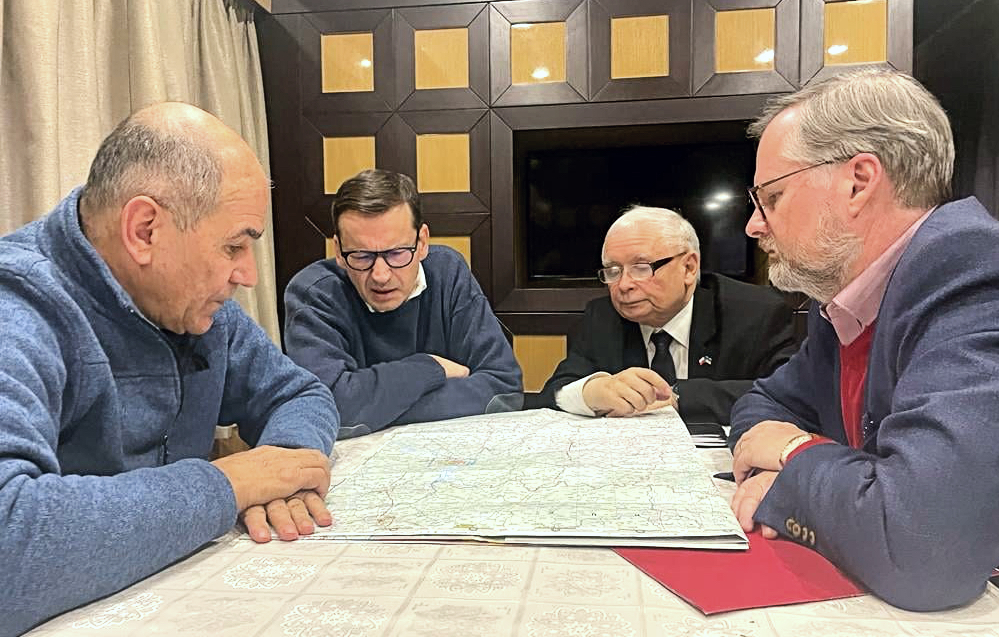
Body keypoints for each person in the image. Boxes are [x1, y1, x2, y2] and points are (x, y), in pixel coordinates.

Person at [0, 102, 341, 636]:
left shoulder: (199, 307)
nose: (248, 275)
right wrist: (228, 484)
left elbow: (298, 393)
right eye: (234, 245)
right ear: (144, 230)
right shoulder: (17, 308)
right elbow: (9, 544)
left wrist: (286, 468)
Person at [728, 68, 999, 611]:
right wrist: (834, 479)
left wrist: (794, 457)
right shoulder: (846, 300)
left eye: (771, 196)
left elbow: (926, 546)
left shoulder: (975, 272)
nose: (754, 224)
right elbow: (763, 404)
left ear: (859, 182)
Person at [284, 168, 522, 437]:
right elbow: (327, 408)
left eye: (397, 253)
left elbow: (503, 390)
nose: (380, 275)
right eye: (361, 256)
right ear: (338, 251)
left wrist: (374, 406)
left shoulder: (447, 272)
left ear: (422, 242)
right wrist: (428, 368)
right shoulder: (314, 293)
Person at [536, 205, 797, 424]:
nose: (623, 285)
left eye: (641, 268)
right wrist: (590, 391)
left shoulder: (755, 313)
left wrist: (676, 396)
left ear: (689, 268)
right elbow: (554, 393)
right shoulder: (602, 317)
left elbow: (791, 395)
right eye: (613, 270)